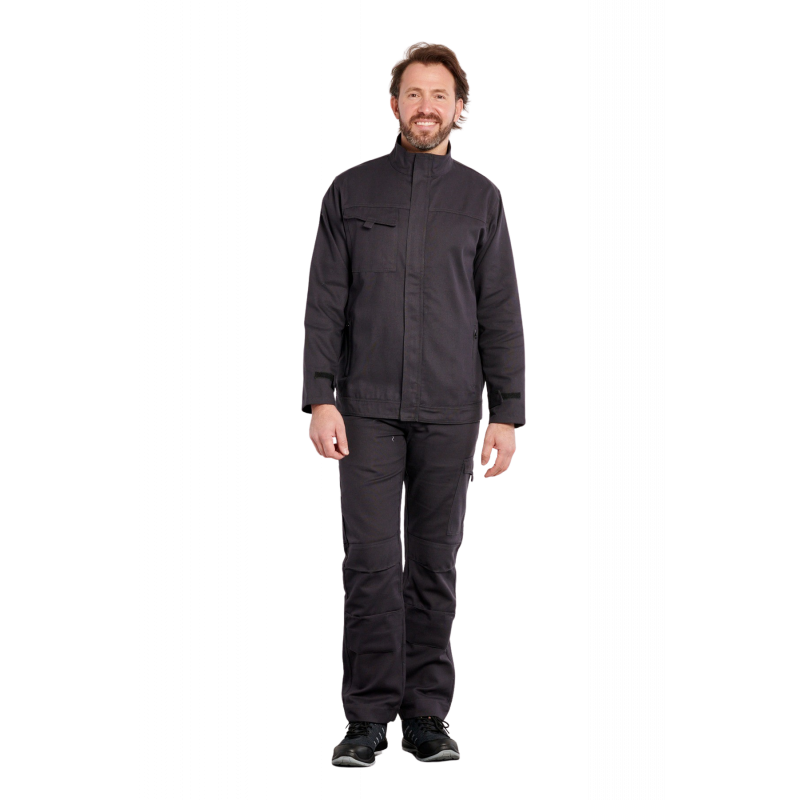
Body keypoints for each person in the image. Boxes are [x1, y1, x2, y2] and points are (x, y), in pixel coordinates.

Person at [300, 42, 526, 767]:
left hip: (453, 407)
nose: (427, 107)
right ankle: (366, 719)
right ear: (394, 104)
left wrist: (505, 412)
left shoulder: (482, 198)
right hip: (363, 408)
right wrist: (320, 397)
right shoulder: (349, 190)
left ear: (461, 111)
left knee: (434, 563)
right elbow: (324, 302)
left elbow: (500, 311)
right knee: (369, 564)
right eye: (414, 93)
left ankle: (428, 716)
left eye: (441, 96)